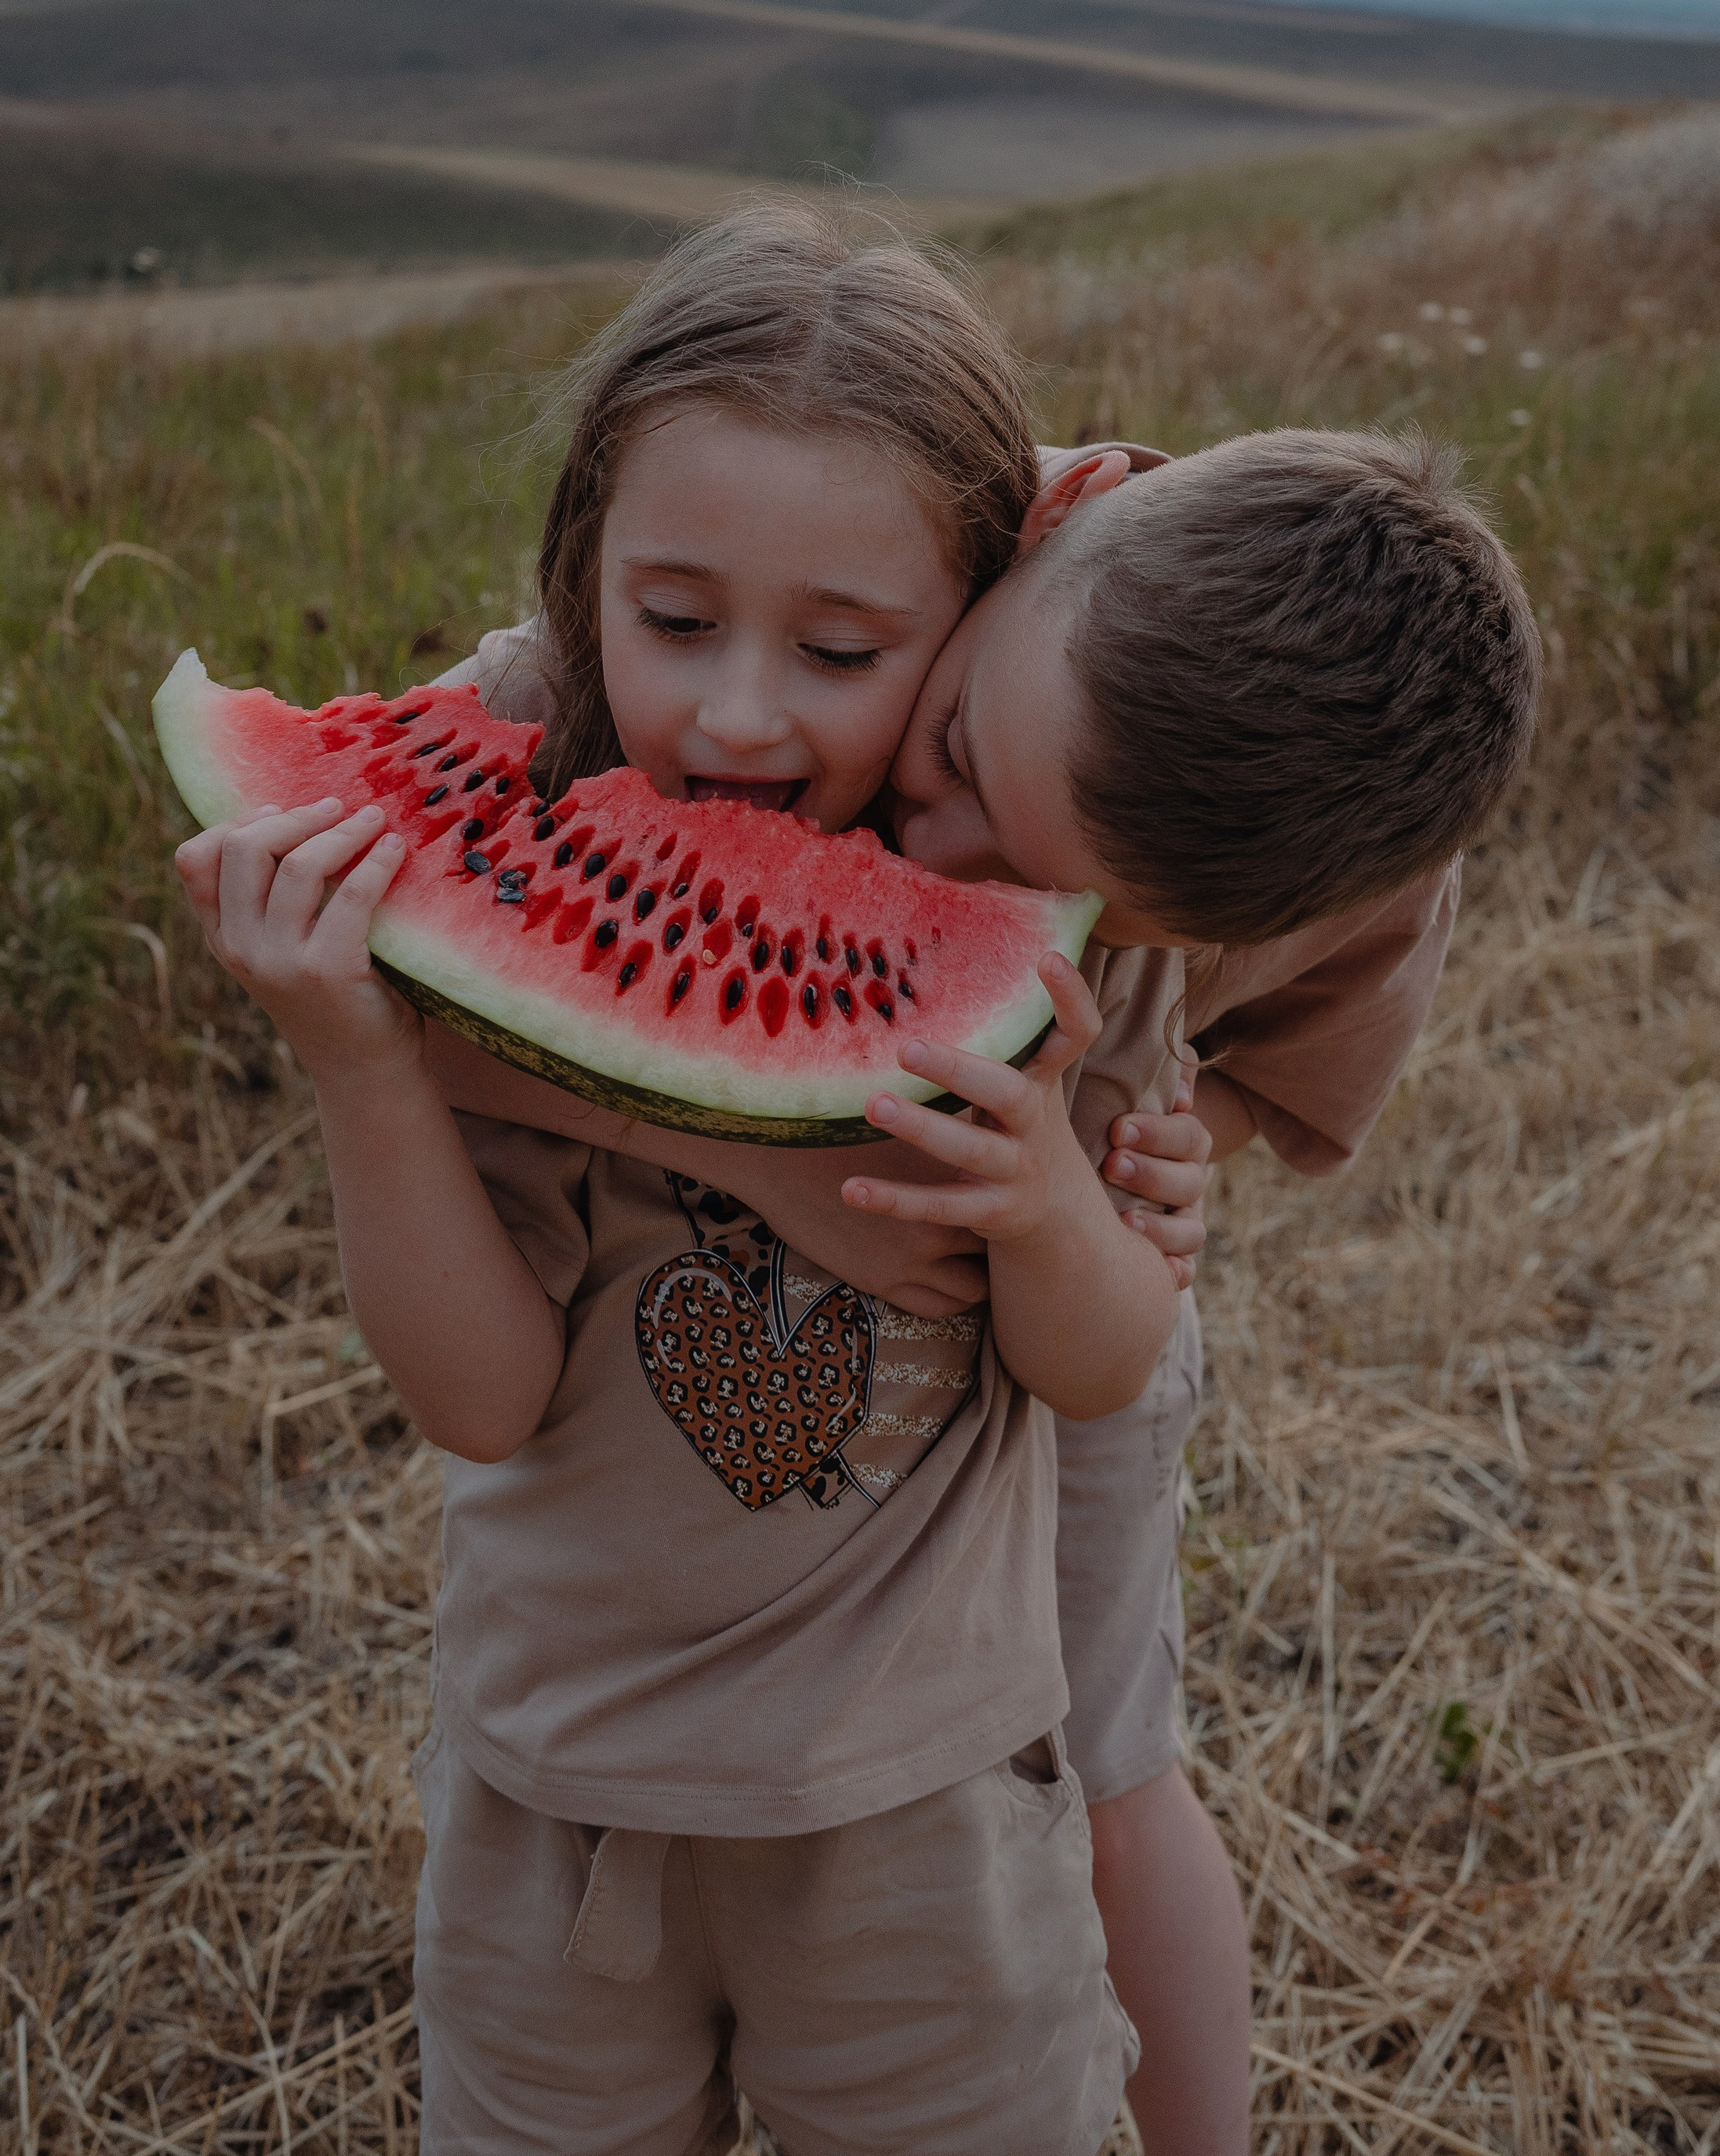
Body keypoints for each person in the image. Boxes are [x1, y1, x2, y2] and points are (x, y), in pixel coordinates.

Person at [437, 364, 1540, 2155]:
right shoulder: (893, 528)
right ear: (1039, 547)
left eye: (1045, 888)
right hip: (761, 1306)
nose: (945, 859)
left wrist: (1178, 1157)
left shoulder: (1350, 856)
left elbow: (1297, 1058)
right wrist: (774, 1168)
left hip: (1076, 1275)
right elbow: (463, 966)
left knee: (1100, 1769)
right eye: (950, 761)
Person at [176, 211, 1189, 2156]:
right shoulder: (518, 838)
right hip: (554, 1804)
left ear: (970, 628)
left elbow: (1100, 1363)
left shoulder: (1048, 910)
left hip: (927, 1813)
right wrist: (367, 1067)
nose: (735, 716)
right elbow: (477, 1400)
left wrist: (1049, 1192)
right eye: (670, 622)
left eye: (837, 652)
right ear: (582, 587)